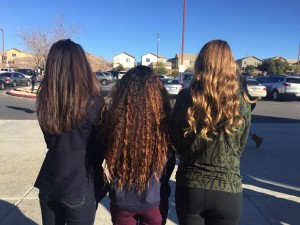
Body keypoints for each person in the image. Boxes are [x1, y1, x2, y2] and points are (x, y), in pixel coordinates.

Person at [172, 40, 252, 225]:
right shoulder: (242, 101)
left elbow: (176, 140)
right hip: (228, 187)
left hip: (191, 185)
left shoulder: (185, 97)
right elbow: (240, 147)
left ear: (201, 63)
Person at [34, 39, 105, 225]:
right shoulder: (94, 102)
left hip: (49, 181)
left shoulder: (44, 100)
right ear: (81, 65)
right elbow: (100, 149)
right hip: (80, 184)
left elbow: (50, 142)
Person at [101, 65, 175, 225]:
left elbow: (107, 154)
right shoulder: (164, 124)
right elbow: (169, 162)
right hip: (155, 201)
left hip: (122, 201)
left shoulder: (114, 121)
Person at [239, 75, 263, 148]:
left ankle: (257, 139)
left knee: (241, 128)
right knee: (241, 128)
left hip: (241, 113)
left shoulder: (241, 91)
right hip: (243, 113)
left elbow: (250, 103)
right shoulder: (244, 90)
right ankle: (256, 139)